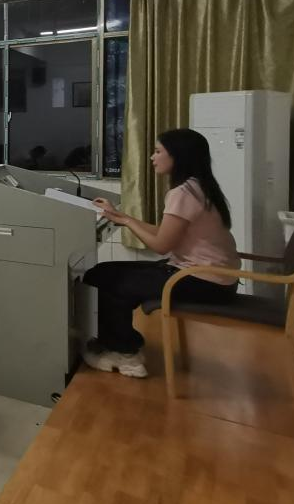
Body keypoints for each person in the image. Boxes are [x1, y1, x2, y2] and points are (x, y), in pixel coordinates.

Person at [81, 128, 240, 379]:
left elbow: (161, 245)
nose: (152, 158)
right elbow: (166, 233)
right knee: (102, 272)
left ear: (178, 156)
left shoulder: (182, 193)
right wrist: (121, 217)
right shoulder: (201, 187)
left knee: (108, 281)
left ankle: (125, 355)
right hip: (215, 279)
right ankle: (120, 343)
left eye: (158, 152)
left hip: (201, 280)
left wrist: (128, 222)